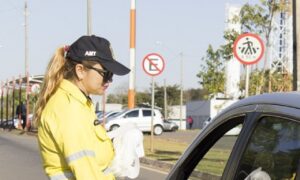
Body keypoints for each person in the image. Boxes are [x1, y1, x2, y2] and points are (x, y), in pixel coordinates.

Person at [34, 35, 130, 180]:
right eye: (106, 73)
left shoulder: (79, 103)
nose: (109, 80)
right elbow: (86, 172)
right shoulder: (68, 109)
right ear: (80, 70)